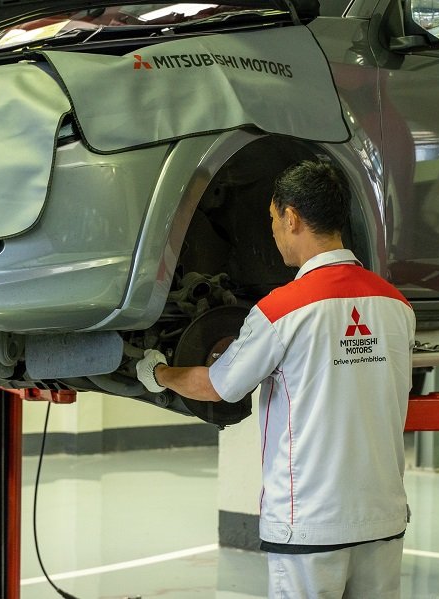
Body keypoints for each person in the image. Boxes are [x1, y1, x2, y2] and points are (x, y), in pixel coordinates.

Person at [136, 160, 415, 598]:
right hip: (383, 518)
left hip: (311, 524)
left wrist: (157, 372)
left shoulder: (282, 310)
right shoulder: (397, 305)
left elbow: (216, 386)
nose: (271, 230)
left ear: (292, 217)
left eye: (271, 219)